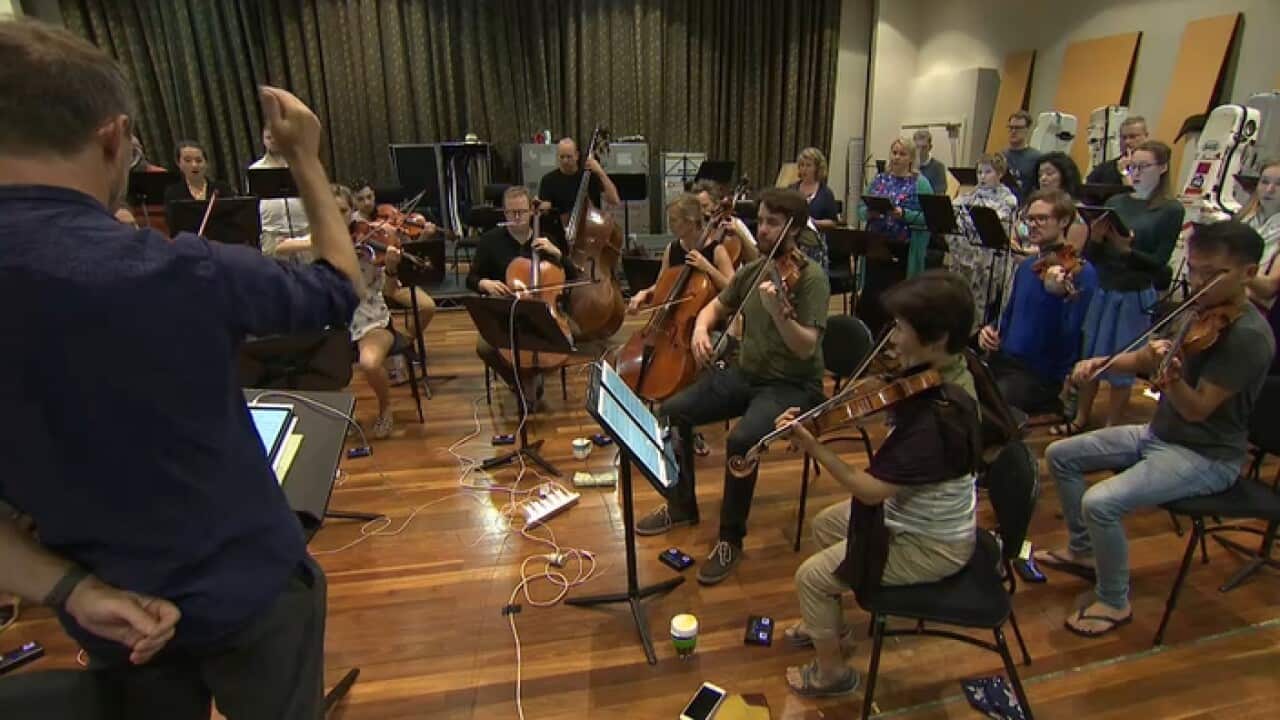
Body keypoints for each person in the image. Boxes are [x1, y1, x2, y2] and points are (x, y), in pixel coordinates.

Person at [0, 21, 362, 719]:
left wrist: (73, 589)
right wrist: (307, 161)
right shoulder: (177, 270)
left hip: (110, 610)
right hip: (249, 589)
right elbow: (337, 289)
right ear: (113, 137)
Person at [1036, 221, 1273, 638]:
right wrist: (1103, 363)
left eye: (1211, 274)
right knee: (1061, 454)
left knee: (1101, 502)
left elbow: (1198, 410)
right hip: (1160, 435)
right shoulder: (1199, 310)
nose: (1197, 282)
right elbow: (1148, 356)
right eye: (1194, 270)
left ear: (1248, 274)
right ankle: (1084, 550)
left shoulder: (1248, 337)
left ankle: (1113, 600)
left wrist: (1171, 380)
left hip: (1206, 456)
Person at [775, 270, 982, 697]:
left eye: (902, 330)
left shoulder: (942, 414)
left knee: (810, 577)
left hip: (934, 542)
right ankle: (831, 625)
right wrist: (821, 416)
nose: (891, 341)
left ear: (937, 337)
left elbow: (869, 490)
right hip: (910, 513)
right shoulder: (943, 368)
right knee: (826, 524)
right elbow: (888, 394)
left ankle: (832, 674)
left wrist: (816, 447)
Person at [633, 188, 830, 585]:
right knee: (672, 411)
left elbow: (806, 346)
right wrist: (700, 330)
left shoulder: (811, 279)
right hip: (747, 374)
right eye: (760, 220)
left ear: (793, 229)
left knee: (740, 442)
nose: (763, 229)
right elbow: (715, 305)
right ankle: (681, 504)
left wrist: (779, 315)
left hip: (792, 385)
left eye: (773, 223)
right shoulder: (754, 270)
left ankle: (729, 540)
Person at [1062, 141, 1184, 434]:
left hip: (1134, 292)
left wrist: (1127, 250)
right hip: (1105, 287)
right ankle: (1081, 417)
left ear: (1163, 168)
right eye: (1131, 167)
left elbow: (1159, 265)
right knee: (1091, 353)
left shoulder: (1170, 210)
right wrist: (1098, 239)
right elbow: (1093, 255)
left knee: (1121, 361)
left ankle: (1111, 425)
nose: (1136, 173)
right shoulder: (1118, 203)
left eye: (1143, 167)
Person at [275, 185, 402, 439]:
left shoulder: (372, 240)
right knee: (312, 361)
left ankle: (386, 409)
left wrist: (391, 267)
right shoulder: (319, 239)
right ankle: (343, 411)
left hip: (371, 319)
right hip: (334, 321)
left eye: (343, 210)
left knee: (369, 362)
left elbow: (388, 291)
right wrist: (317, 242)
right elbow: (279, 249)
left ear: (352, 212)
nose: (337, 217)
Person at [979, 190, 1099, 413]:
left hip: (1039, 374)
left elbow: (1073, 335)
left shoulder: (1080, 271)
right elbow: (1009, 315)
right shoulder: (1027, 266)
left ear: (1063, 221)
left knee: (992, 407)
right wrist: (990, 330)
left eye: (1042, 218)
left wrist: (1060, 296)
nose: (1033, 225)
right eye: (1030, 219)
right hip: (1005, 361)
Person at [466, 185, 574, 405]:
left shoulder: (548, 239)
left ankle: (531, 378)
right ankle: (516, 381)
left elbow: (572, 275)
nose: (516, 217)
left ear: (531, 212)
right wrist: (484, 283)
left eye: (522, 212)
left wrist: (559, 255)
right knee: (484, 347)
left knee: (562, 340)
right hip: (506, 313)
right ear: (504, 213)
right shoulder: (490, 241)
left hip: (545, 314)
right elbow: (471, 278)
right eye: (511, 212)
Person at [856, 137, 934, 335]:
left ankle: (893, 340)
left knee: (895, 298)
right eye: (894, 152)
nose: (897, 157)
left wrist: (904, 214)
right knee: (872, 296)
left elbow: (930, 217)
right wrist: (869, 213)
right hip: (876, 246)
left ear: (911, 158)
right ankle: (867, 338)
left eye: (902, 153)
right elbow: (860, 208)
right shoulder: (880, 179)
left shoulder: (920, 183)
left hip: (902, 249)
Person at [349, 179, 437, 342]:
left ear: (374, 195)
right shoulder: (352, 224)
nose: (367, 203)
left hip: (394, 278)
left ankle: (406, 340)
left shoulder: (388, 215)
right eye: (360, 199)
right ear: (353, 201)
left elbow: (409, 247)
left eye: (369, 197)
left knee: (427, 306)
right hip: (369, 285)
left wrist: (424, 234)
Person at [627, 193, 736, 312]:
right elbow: (661, 286)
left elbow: (733, 289)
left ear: (691, 221)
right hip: (676, 316)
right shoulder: (672, 249)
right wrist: (645, 292)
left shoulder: (717, 250)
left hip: (710, 319)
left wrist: (708, 268)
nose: (670, 225)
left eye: (673, 220)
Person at [951, 152, 1020, 328]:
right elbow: (955, 213)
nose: (982, 176)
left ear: (1000, 173)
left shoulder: (1008, 198)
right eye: (979, 172)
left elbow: (996, 220)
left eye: (988, 172)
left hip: (991, 258)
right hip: (967, 255)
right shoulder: (971, 194)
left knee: (983, 303)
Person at [1238, 160, 1280, 374]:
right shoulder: (1246, 220)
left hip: (1258, 314)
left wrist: (1235, 266)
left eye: (1278, 184)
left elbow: (1269, 287)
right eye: (1264, 182)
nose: (1269, 189)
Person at [250, 125, 310, 256]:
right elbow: (253, 202)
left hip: (302, 230)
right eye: (268, 137)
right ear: (263, 139)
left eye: (276, 136)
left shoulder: (301, 164)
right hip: (272, 233)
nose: (273, 141)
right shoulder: (256, 169)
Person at [1017, 151, 1088, 251]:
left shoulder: (1076, 210)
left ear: (1065, 176)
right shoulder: (1032, 204)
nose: (1043, 178)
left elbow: (1071, 252)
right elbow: (1014, 233)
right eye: (1040, 175)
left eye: (1049, 173)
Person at [538, 137, 620, 219]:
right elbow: (545, 212)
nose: (565, 161)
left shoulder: (589, 177)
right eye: (561, 157)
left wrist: (600, 172)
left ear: (577, 155)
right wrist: (541, 208)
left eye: (569, 157)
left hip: (591, 228)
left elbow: (614, 200)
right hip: (561, 230)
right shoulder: (548, 180)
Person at [787, 146, 836, 268]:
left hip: (815, 247)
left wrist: (815, 223)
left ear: (817, 168)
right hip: (793, 244)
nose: (804, 169)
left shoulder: (826, 193)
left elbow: (833, 222)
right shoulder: (792, 189)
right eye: (802, 165)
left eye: (808, 165)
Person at [693, 179, 758, 264]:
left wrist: (739, 233)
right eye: (697, 207)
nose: (701, 211)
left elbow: (756, 258)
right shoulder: (693, 229)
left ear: (716, 204)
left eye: (705, 206)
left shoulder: (734, 223)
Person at [162, 140, 234, 204]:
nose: (194, 165)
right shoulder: (173, 193)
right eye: (188, 161)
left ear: (206, 164)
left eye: (199, 161)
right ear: (179, 164)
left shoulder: (222, 188)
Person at [1086, 115, 1149, 186]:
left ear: (1146, 136)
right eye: (1123, 137)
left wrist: (1125, 172)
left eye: (1132, 136)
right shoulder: (1102, 170)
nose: (1127, 142)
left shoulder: (1153, 168)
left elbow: (1137, 194)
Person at [1002, 110, 1042, 201]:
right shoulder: (1001, 156)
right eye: (1011, 127)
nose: (1013, 131)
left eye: (1018, 128)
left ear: (1027, 129)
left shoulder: (1037, 158)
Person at [913, 129, 948, 199]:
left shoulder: (938, 167)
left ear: (930, 147)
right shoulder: (908, 164)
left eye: (924, 147)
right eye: (917, 147)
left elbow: (939, 197)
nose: (920, 151)